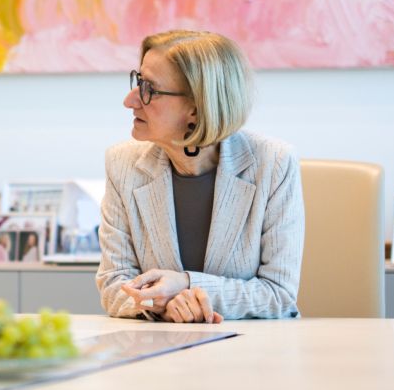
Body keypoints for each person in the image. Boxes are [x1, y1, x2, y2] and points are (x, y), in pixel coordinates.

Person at [97, 30, 304, 322]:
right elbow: (113, 284)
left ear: (196, 107)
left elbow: (279, 295)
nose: (130, 100)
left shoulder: (273, 163)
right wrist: (164, 305)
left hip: (254, 354)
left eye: (149, 89)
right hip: (159, 354)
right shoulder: (122, 164)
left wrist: (187, 285)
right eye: (137, 81)